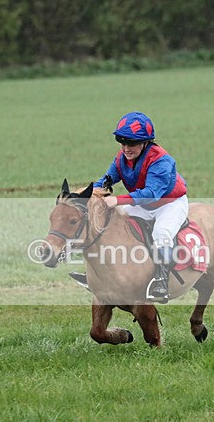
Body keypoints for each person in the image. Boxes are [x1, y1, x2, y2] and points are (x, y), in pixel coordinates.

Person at [72, 111, 188, 303]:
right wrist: (85, 194)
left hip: (169, 204)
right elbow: (106, 180)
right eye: (122, 142)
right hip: (144, 204)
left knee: (161, 233)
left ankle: (161, 280)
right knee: (112, 224)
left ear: (145, 143)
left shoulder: (161, 160)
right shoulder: (122, 158)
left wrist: (117, 200)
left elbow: (151, 194)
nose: (126, 148)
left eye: (131, 143)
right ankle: (98, 276)